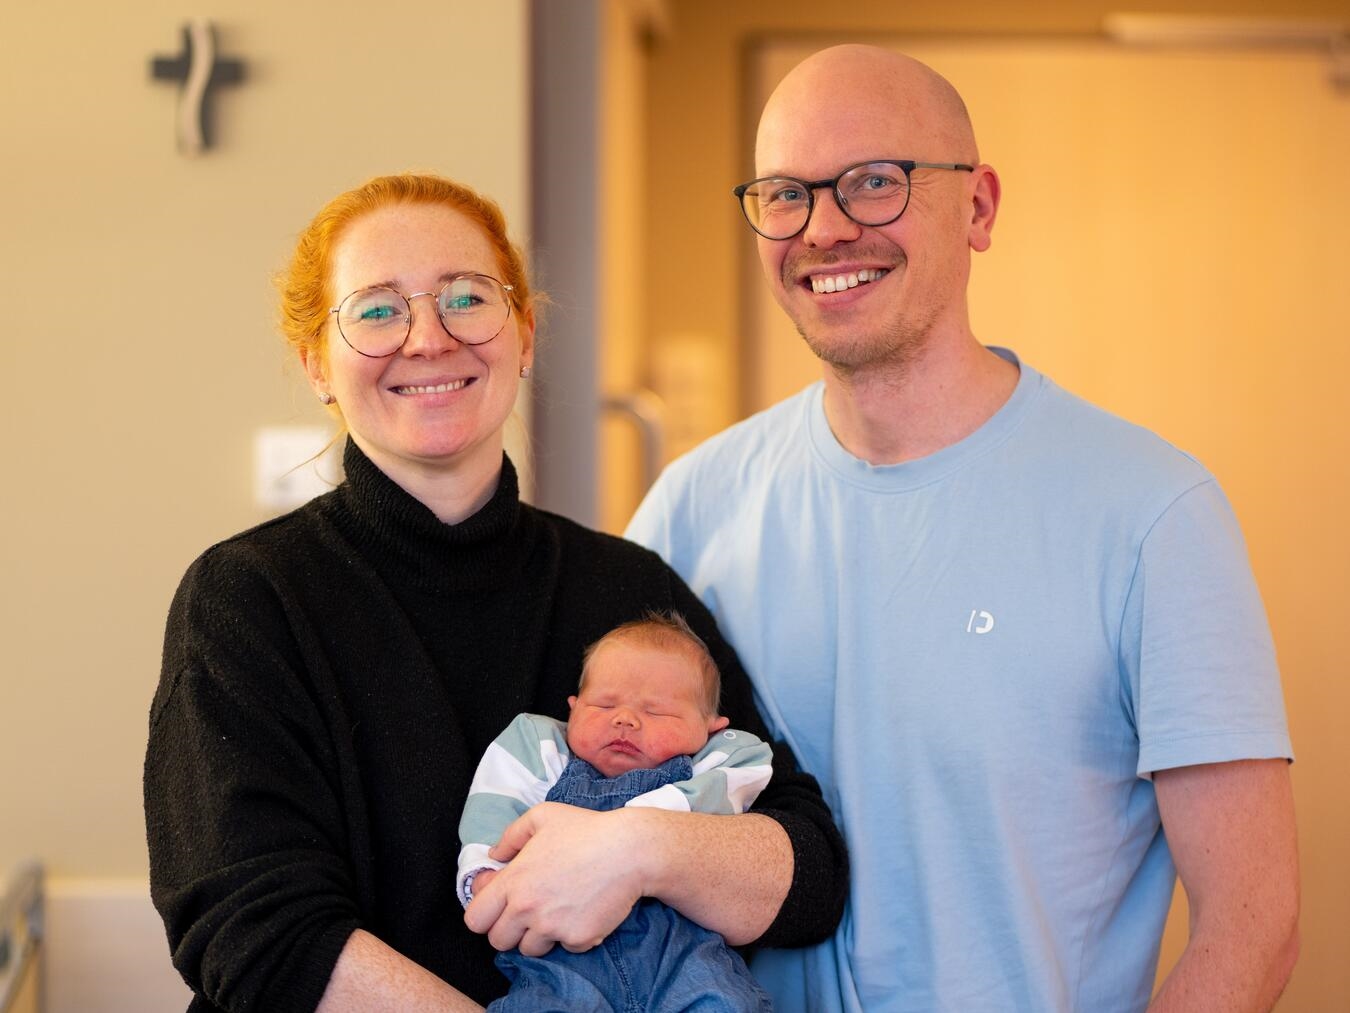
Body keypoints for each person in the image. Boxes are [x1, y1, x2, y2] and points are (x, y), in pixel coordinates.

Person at [626, 44, 1298, 1013]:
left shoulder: (1150, 513)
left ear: (977, 207)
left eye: (874, 183)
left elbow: (1254, 923)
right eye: (785, 193)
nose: (824, 228)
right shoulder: (692, 508)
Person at [143, 172, 847, 1013]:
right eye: (376, 310)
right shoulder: (247, 599)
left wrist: (642, 847)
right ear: (316, 365)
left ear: (524, 334)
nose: (429, 338)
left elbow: (806, 874)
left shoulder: (628, 588)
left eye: (467, 298)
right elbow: (255, 934)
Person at [458, 612, 774, 1011]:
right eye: (603, 704)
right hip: (561, 964)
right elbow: (496, 805)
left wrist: (638, 826)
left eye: (657, 712)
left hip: (684, 958)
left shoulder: (720, 760)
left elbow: (744, 770)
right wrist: (486, 873)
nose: (624, 719)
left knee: (725, 1003)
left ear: (709, 728)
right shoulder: (543, 750)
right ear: (572, 708)